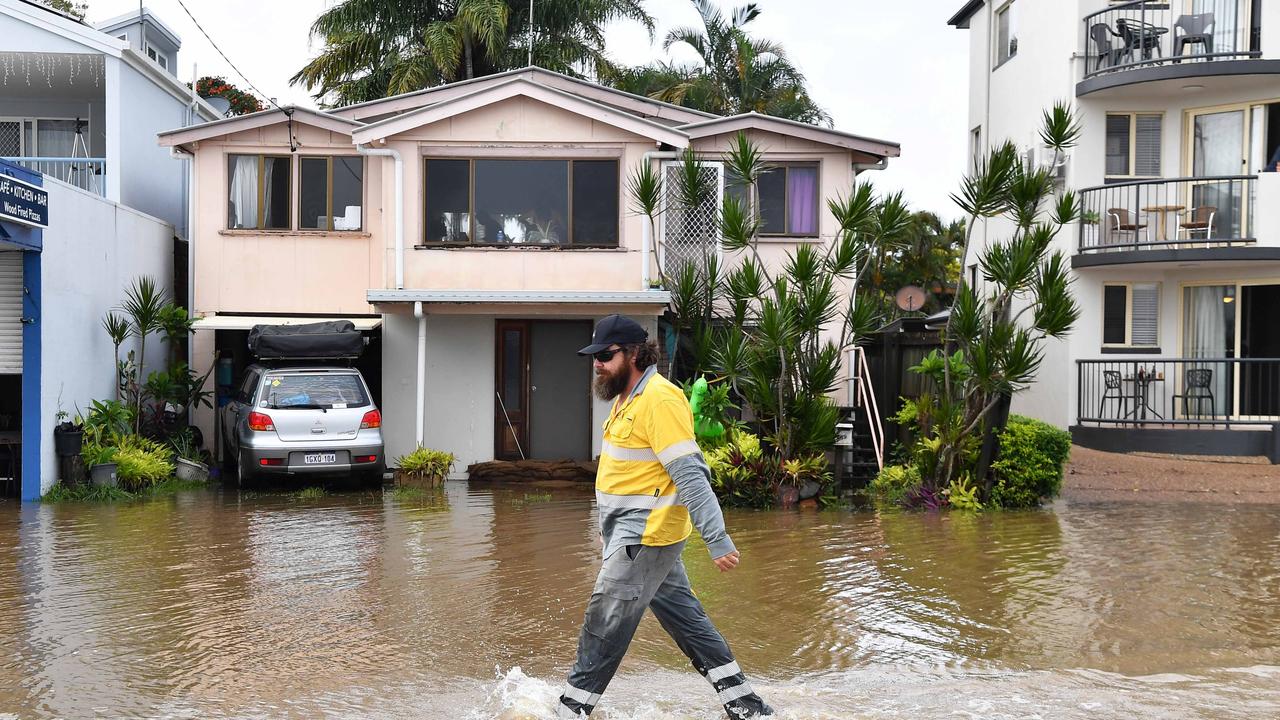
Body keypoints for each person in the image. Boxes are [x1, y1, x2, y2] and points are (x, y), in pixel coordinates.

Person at [557, 314, 773, 719]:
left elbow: (690, 474)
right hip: (633, 536)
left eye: (606, 355)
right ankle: (746, 707)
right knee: (688, 623)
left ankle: (571, 710)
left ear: (635, 353)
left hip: (646, 537)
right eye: (594, 356)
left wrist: (717, 538)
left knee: (605, 619)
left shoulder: (660, 399)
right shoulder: (627, 399)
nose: (598, 363)